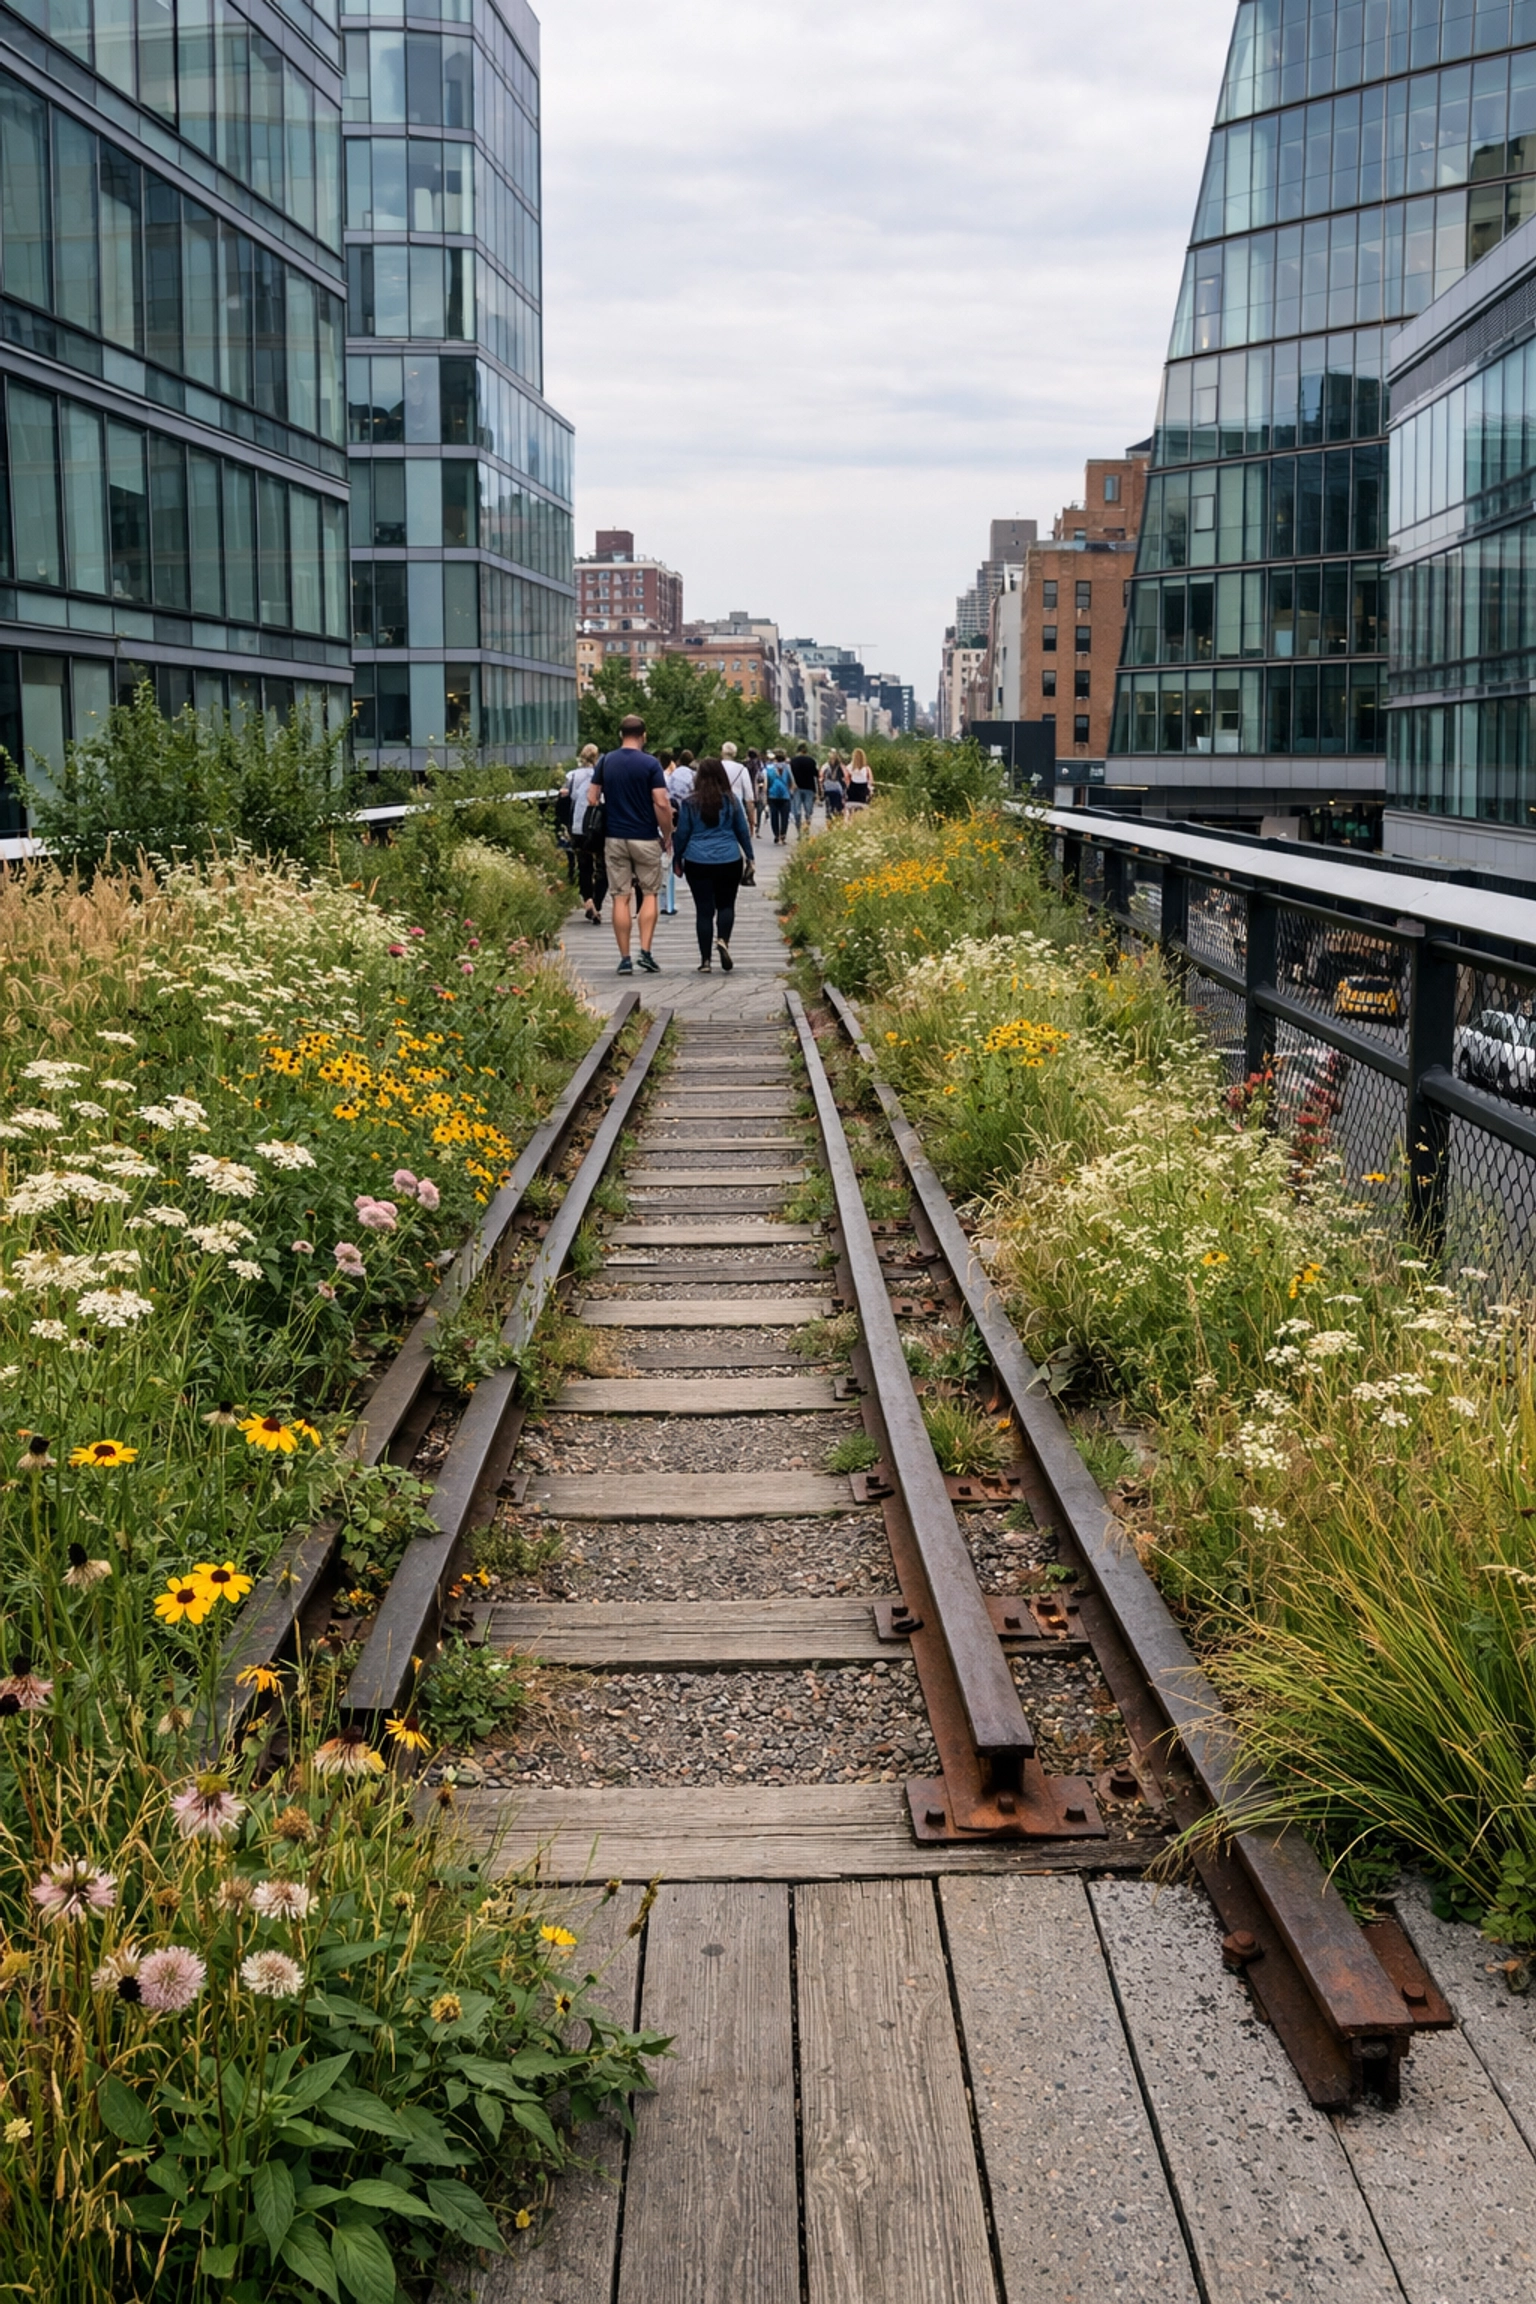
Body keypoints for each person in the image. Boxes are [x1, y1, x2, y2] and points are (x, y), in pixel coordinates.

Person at [587, 714, 672, 975]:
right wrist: (667, 834)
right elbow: (661, 801)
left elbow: (592, 797)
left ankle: (624, 959)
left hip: (615, 837)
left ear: (620, 734)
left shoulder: (606, 761)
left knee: (620, 897)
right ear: (643, 735)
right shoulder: (650, 764)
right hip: (645, 836)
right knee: (649, 893)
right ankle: (645, 952)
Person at [673, 756, 754, 973]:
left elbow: (681, 834)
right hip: (729, 859)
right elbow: (742, 831)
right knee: (726, 905)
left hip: (697, 861)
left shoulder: (690, 803)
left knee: (704, 910)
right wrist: (750, 856)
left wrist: (677, 858)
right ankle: (723, 941)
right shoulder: (732, 800)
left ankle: (705, 961)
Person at [567, 744, 607, 924]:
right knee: (602, 867)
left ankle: (588, 900)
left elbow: (570, 798)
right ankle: (597, 904)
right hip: (598, 827)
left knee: (583, 866)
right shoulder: (603, 774)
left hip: (577, 826)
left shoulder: (573, 775)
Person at [657, 749, 679, 916]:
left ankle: (661, 903)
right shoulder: (665, 778)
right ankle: (667, 904)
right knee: (667, 864)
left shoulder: (655, 776)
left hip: (650, 825)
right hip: (663, 821)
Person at [788, 744, 819, 838]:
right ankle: (806, 829)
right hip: (809, 788)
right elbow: (816, 775)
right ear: (806, 751)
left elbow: (790, 775)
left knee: (797, 811)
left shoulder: (793, 761)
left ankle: (799, 831)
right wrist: (818, 792)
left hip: (797, 788)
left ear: (798, 751)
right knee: (808, 810)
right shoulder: (812, 761)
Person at [720, 740, 755, 821]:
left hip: (719, 811)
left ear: (722, 752)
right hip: (738, 811)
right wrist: (751, 821)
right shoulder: (742, 769)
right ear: (735, 754)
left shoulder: (715, 767)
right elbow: (749, 798)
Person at [765, 752, 792, 843]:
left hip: (773, 795)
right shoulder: (788, 768)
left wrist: (766, 793)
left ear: (775, 759)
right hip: (785, 795)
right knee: (785, 816)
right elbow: (791, 780)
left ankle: (776, 834)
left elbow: (767, 782)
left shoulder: (770, 768)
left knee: (774, 815)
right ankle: (783, 835)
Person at [822, 753, 847, 820]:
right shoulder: (827, 766)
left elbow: (845, 777)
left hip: (834, 789)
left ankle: (834, 815)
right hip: (832, 789)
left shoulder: (839, 767)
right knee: (831, 804)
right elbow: (822, 776)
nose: (832, 760)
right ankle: (831, 815)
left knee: (836, 804)